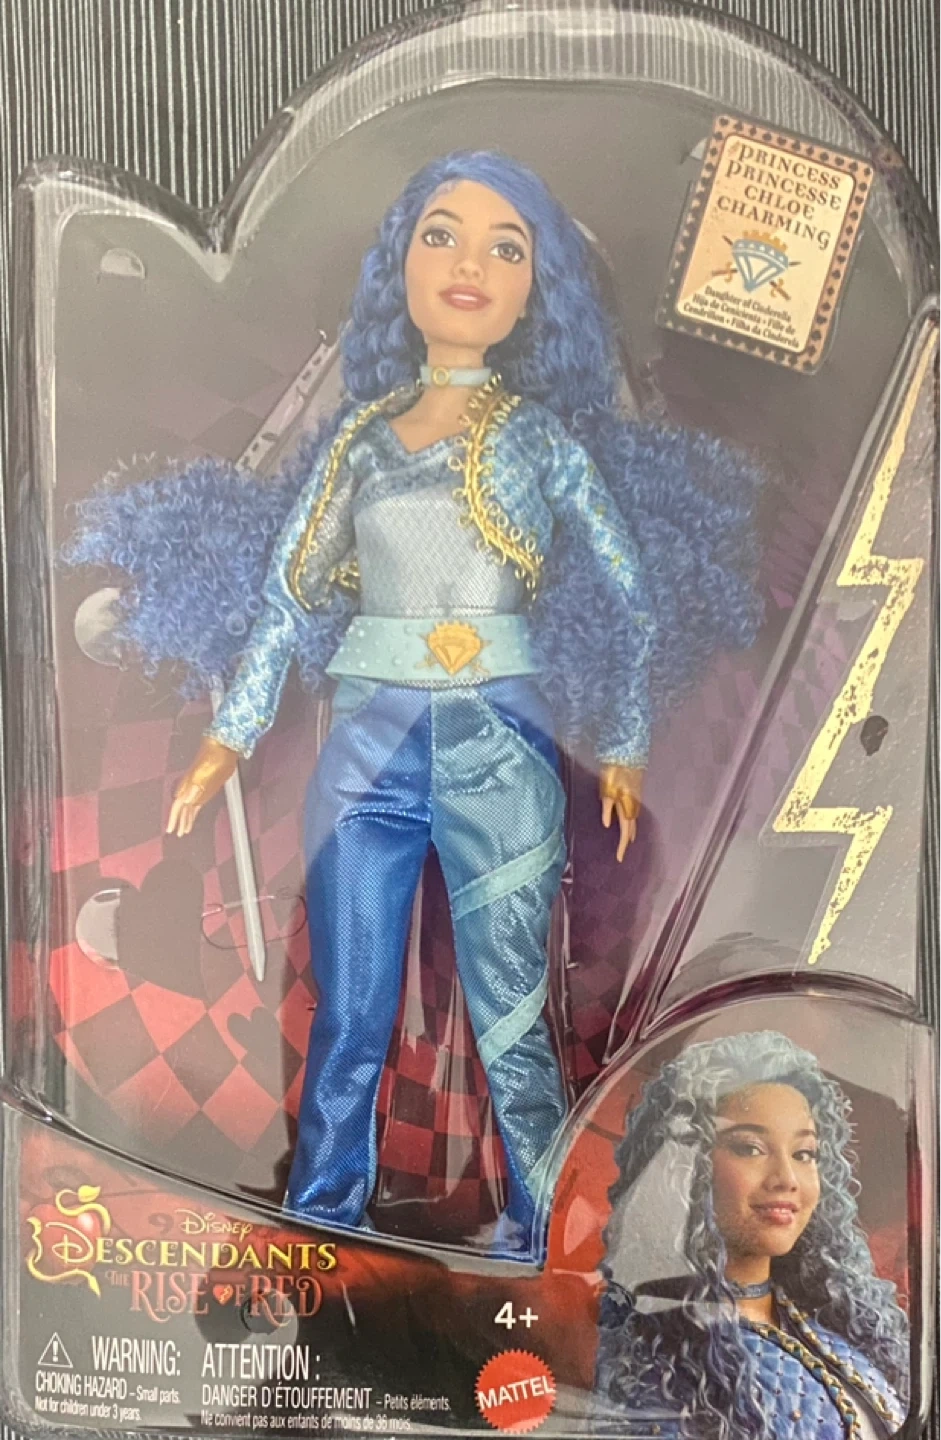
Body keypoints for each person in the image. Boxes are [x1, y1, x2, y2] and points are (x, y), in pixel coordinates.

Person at [65, 151, 762, 1254]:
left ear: (537, 290)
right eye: (440, 235)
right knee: (349, 1018)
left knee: (512, 1024)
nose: (468, 264)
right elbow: (290, 595)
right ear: (399, 264)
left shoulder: (540, 440)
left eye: (505, 247)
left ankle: (543, 1238)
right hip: (365, 749)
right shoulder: (357, 439)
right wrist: (231, 734)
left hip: (500, 748)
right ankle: (321, 1224)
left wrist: (625, 744)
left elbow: (630, 596)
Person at [594, 1030, 909, 1437]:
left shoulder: (836, 1326)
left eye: (804, 1154)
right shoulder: (658, 1361)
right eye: (750, 1148)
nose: (786, 1178)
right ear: (683, 1168)